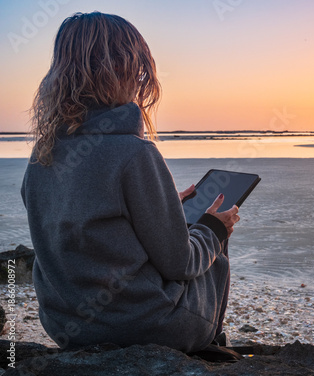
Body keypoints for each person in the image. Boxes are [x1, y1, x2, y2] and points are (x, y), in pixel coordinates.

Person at [21, 11, 239, 353]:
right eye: (139, 71)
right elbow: (179, 263)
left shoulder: (41, 155)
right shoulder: (134, 152)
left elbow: (91, 234)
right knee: (214, 238)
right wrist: (212, 230)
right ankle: (207, 344)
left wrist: (165, 209)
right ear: (127, 72)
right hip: (146, 327)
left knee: (199, 228)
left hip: (64, 325)